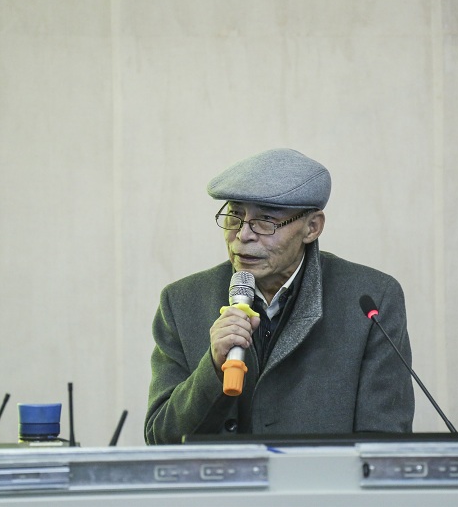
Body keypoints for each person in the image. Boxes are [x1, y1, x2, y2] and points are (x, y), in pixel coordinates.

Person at [145, 148, 414, 444]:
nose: (243, 235)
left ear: (312, 227)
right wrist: (212, 369)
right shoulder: (182, 302)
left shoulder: (370, 298)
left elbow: (384, 443)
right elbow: (160, 438)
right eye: (235, 215)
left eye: (265, 220)